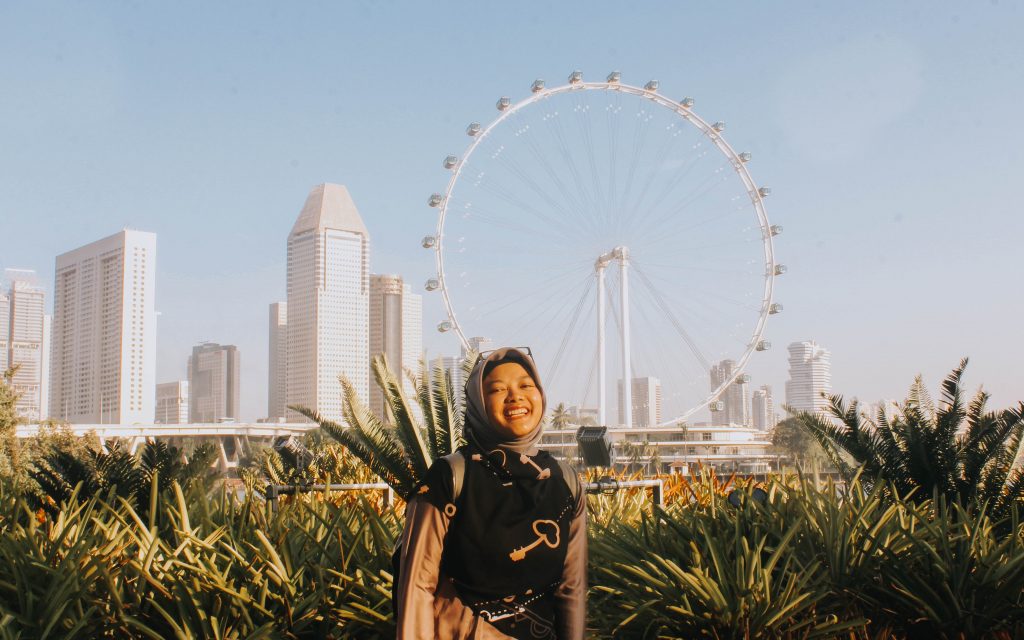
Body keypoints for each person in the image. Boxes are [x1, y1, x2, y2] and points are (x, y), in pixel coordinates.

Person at [395, 347, 587, 639]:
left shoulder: (564, 482)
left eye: (526, 385)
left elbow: (571, 588)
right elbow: (417, 585)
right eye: (497, 389)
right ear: (478, 404)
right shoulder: (451, 477)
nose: (515, 396)